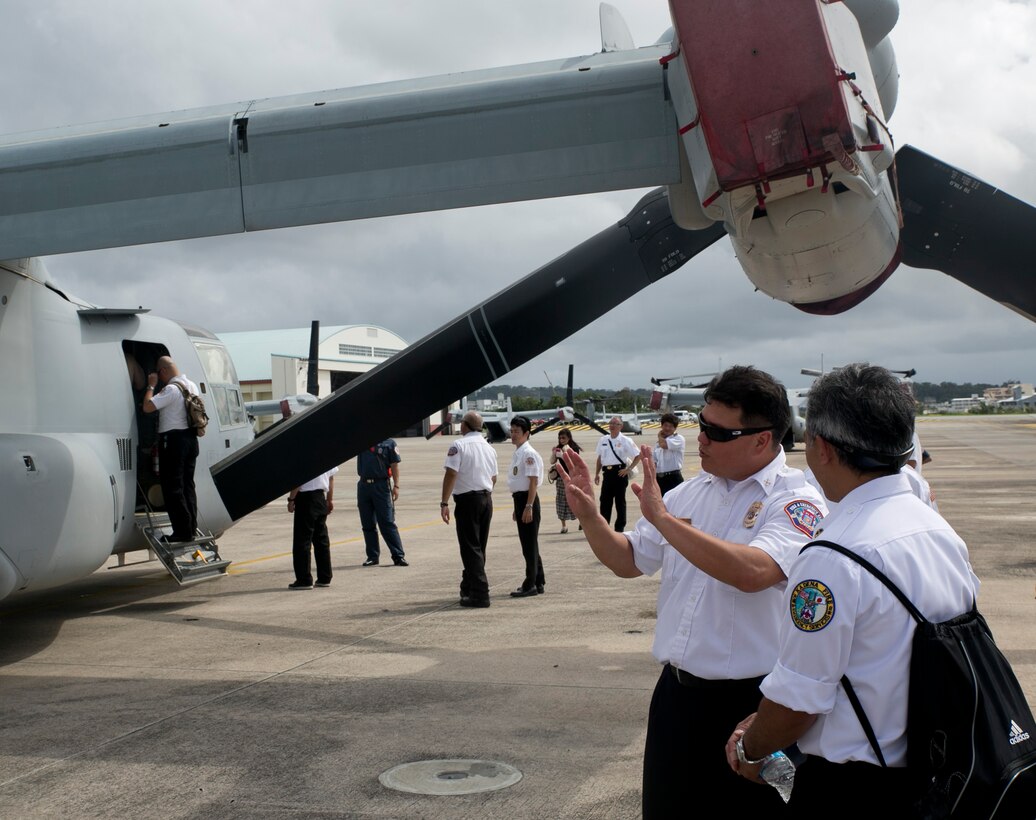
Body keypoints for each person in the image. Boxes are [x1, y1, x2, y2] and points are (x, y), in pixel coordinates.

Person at [560, 366, 827, 817]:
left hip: (751, 709)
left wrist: (663, 520)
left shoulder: (796, 500)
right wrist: (591, 517)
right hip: (678, 698)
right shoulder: (690, 493)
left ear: (762, 439)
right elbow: (629, 560)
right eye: (700, 425)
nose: (700, 439)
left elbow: (754, 571)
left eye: (717, 432)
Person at [725, 364, 978, 811]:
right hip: (939, 771)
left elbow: (798, 703)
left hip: (856, 788)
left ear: (821, 447)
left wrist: (752, 748)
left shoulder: (831, 558)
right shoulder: (936, 529)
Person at [440, 411, 498, 608]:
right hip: (486, 499)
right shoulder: (489, 448)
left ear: (465, 425)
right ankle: (469, 586)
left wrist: (444, 502)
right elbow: (494, 478)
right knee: (479, 547)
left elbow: (451, 474)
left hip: (467, 501)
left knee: (469, 547)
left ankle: (481, 594)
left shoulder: (459, 445)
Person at [142, 356, 201, 542]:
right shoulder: (191, 385)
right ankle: (191, 527)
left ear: (163, 372)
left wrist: (151, 386)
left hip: (174, 441)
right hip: (191, 439)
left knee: (172, 487)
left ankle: (182, 532)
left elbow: (147, 407)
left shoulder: (170, 389)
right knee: (188, 485)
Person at [507, 416, 545, 598]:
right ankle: (539, 580)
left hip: (528, 499)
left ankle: (530, 584)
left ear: (526, 433)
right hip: (521, 500)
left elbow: (533, 482)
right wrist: (518, 506)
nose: (513, 434)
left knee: (528, 545)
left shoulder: (528, 453)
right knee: (530, 543)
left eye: (517, 431)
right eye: (512, 431)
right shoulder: (519, 452)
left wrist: (528, 505)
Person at [357, 439, 408, 567]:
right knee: (367, 523)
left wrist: (396, 486)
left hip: (381, 485)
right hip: (364, 485)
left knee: (387, 522)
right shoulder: (360, 440)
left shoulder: (389, 443)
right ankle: (372, 556)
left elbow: (394, 465)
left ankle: (398, 556)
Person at [286, 466, 339, 589]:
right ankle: (325, 577)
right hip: (320, 497)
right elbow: (331, 478)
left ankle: (304, 579)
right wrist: (329, 499)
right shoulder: (327, 455)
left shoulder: (305, 456)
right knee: (321, 540)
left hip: (306, 499)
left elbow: (299, 480)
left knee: (303, 540)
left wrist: (291, 499)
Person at [594, 416, 641, 532]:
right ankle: (604, 527)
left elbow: (638, 455)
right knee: (604, 500)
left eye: (615, 424)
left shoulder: (626, 440)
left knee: (620, 501)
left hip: (620, 473)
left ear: (621, 426)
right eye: (611, 423)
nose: (612, 426)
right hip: (607, 473)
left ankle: (619, 527)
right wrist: (597, 473)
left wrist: (629, 469)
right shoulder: (603, 440)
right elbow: (600, 458)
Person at [550, 429, 580, 533]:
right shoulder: (558, 448)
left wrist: (564, 454)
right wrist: (554, 453)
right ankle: (564, 525)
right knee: (560, 500)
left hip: (572, 477)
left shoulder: (573, 448)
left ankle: (581, 520)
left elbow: (574, 462)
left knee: (575, 499)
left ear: (569, 438)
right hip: (561, 478)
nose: (561, 440)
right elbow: (552, 461)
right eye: (560, 438)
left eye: (563, 438)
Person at [653, 412, 686, 495]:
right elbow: (654, 462)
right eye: (665, 425)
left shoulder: (679, 439)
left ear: (675, 428)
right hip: (659, 479)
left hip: (673, 478)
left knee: (675, 506)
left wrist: (660, 436)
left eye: (670, 426)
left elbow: (664, 445)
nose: (667, 428)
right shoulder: (657, 444)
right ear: (661, 426)